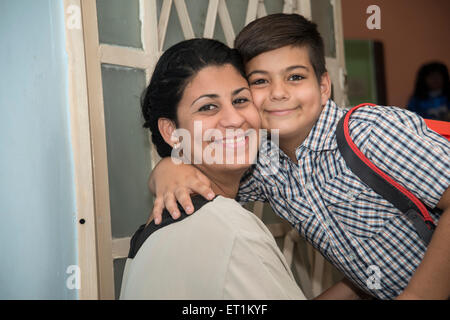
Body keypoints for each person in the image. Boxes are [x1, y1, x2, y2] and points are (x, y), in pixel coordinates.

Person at [148, 14, 450, 300]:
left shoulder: (369, 132)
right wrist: (167, 167)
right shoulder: (265, 167)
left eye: (295, 77)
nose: (279, 93)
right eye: (260, 82)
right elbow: (211, 184)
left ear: (323, 87)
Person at [119, 38, 306, 300]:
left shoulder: (158, 228)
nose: (234, 119)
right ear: (171, 131)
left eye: (241, 100)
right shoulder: (232, 230)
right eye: (208, 107)